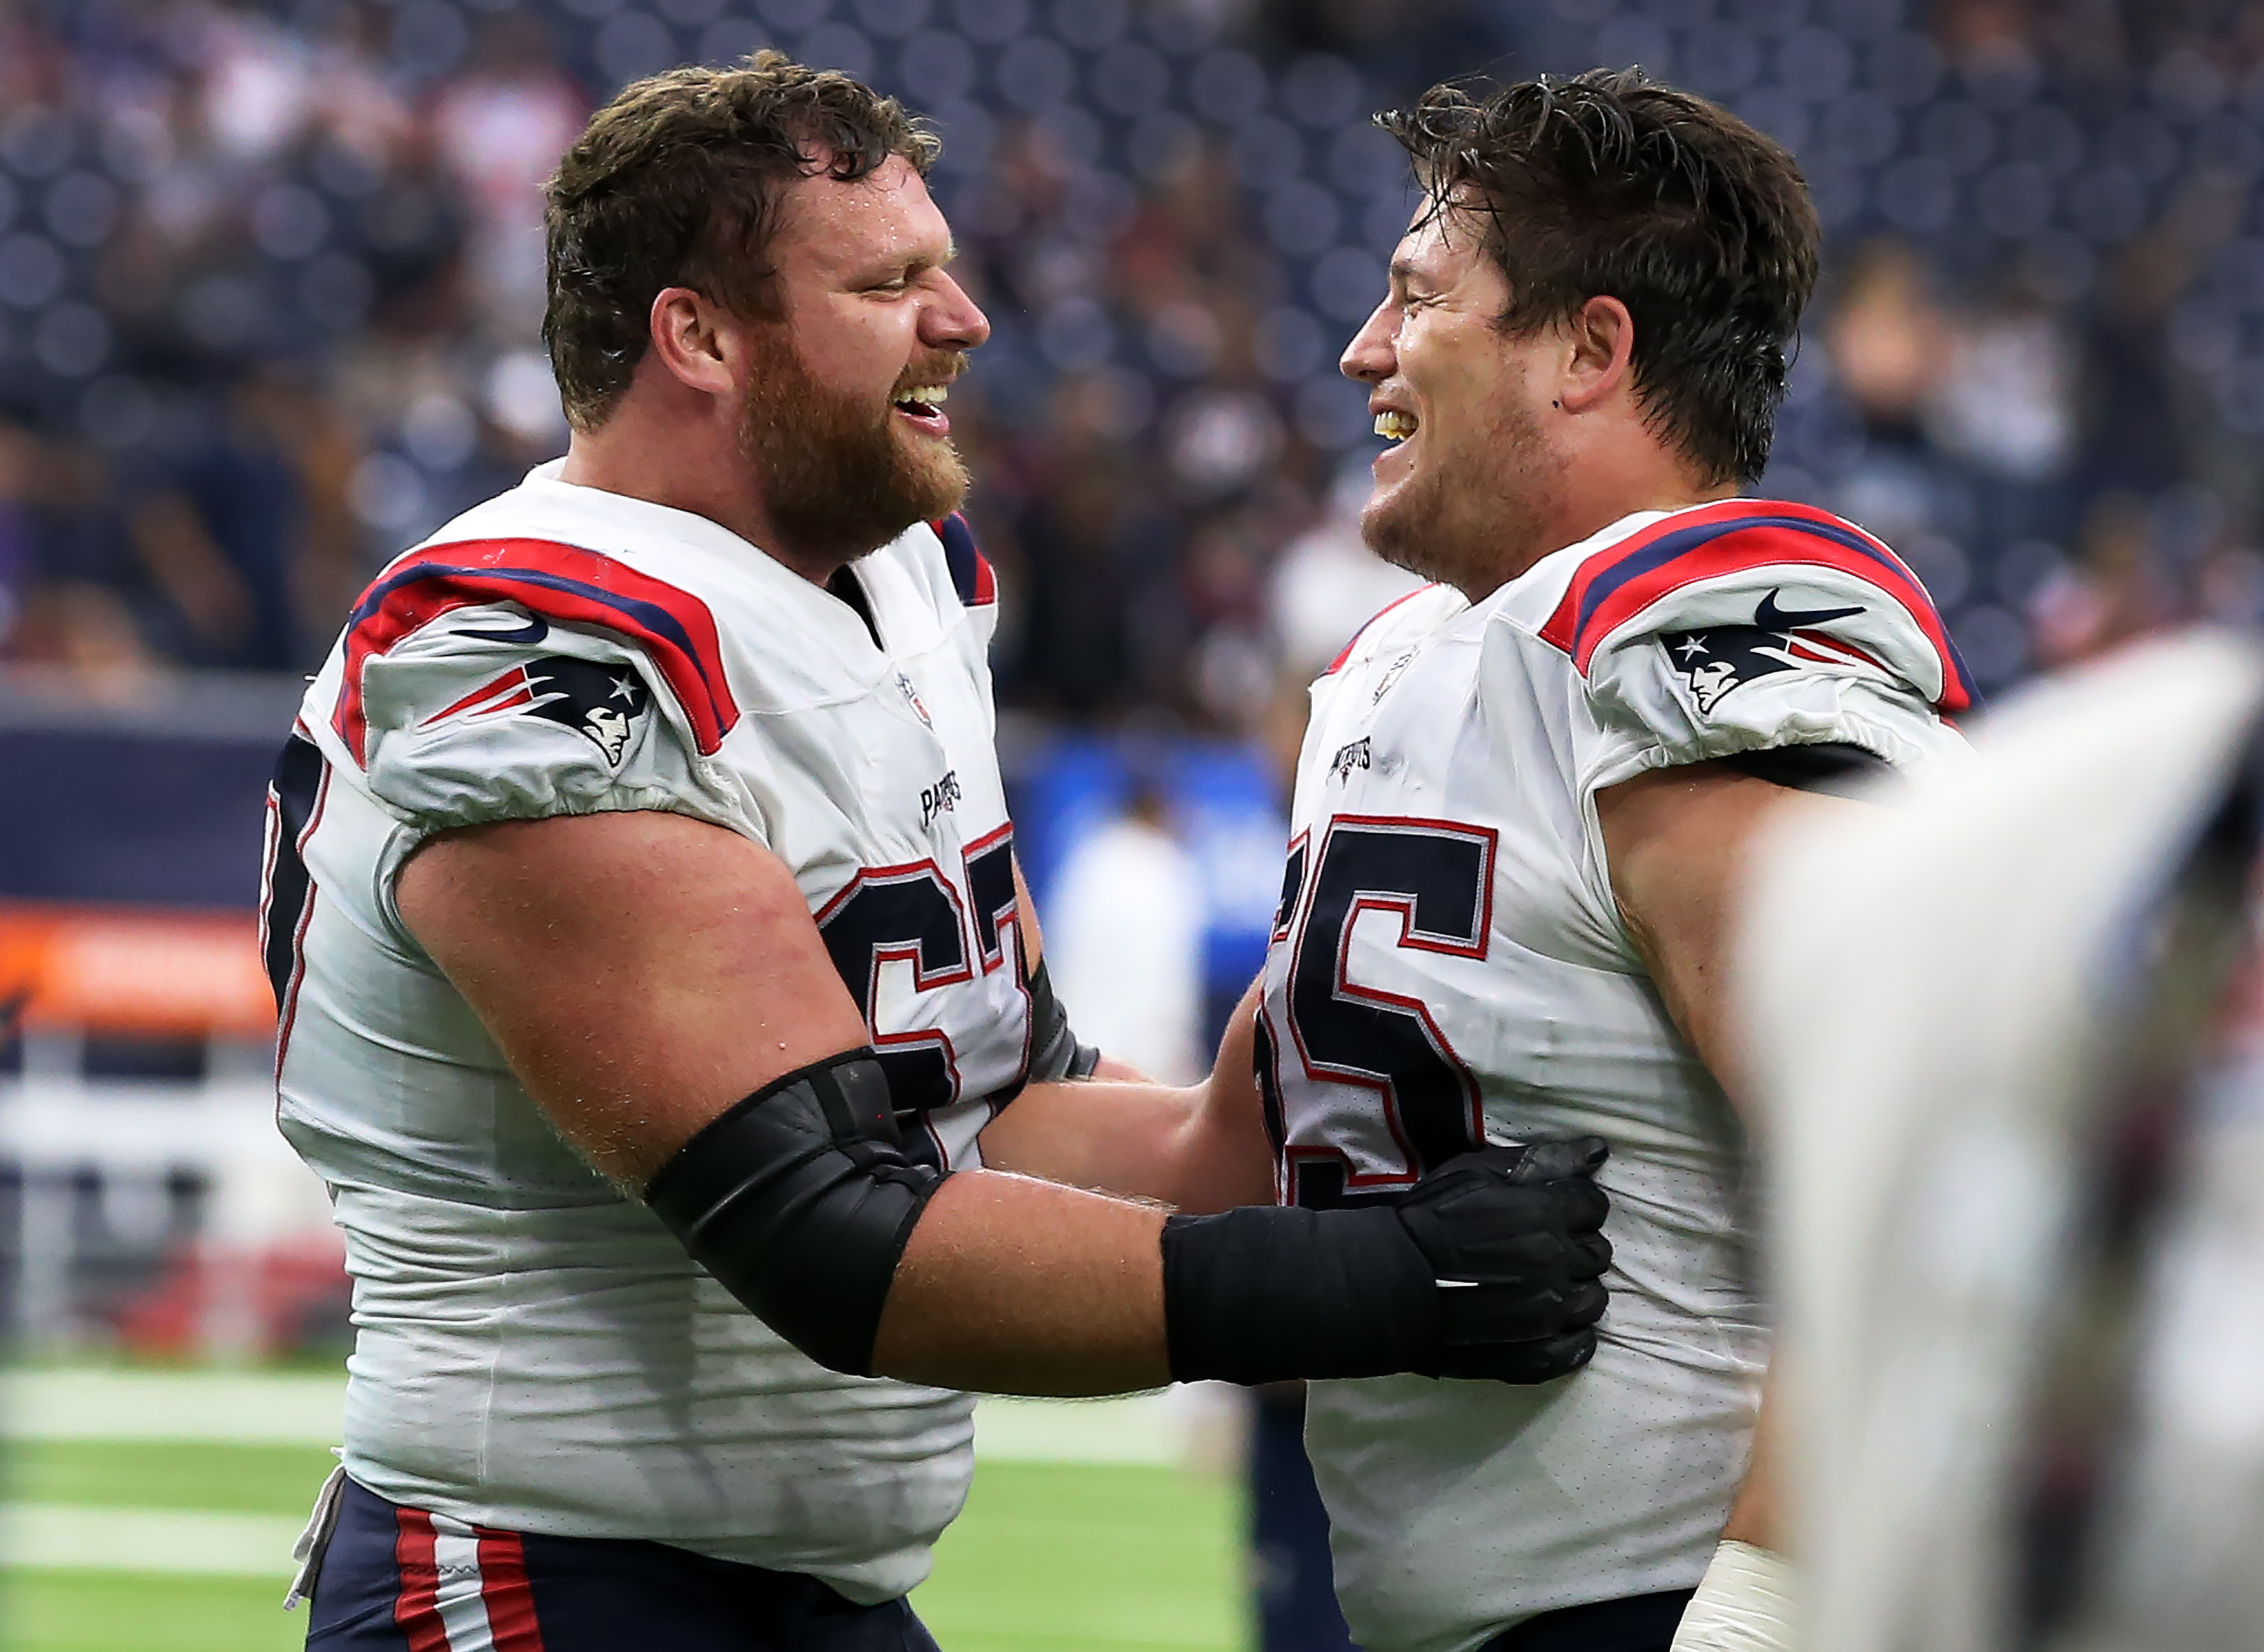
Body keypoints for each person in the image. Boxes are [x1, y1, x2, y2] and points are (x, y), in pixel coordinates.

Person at [261, 55, 1613, 1651]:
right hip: (549, 1561)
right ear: (696, 334)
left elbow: (1001, 1109)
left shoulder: (907, 582)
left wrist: (1376, 996)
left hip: (818, 1585)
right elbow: (832, 1233)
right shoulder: (523, 647)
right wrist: (1375, 1281)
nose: (962, 318)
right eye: (890, 281)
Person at [1251, 70, 1972, 1652]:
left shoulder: (1675, 635)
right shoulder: (1410, 664)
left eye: (1417, 297)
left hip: (1656, 1602)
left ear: (1589, 349)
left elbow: (1934, 1143)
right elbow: (1215, 1151)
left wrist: (1765, 1604)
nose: (1364, 349)